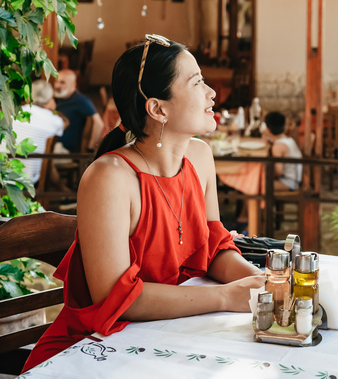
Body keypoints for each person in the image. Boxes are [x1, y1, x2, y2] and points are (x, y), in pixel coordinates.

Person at [23, 35, 265, 371]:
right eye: (197, 83)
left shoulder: (200, 156)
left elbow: (213, 250)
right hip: (95, 350)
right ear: (158, 108)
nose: (212, 93)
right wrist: (226, 297)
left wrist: (264, 286)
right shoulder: (109, 177)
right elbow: (115, 298)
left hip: (167, 336)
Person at [6, 80, 65, 185]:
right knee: (49, 159)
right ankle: (65, 191)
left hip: (3, 176)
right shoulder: (55, 121)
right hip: (29, 180)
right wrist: (53, 109)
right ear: (50, 98)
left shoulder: (12, 114)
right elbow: (64, 125)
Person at [54, 69, 104, 152]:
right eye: (56, 81)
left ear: (73, 84)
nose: (57, 86)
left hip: (63, 149)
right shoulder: (58, 98)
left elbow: (99, 123)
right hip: (52, 143)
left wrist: (90, 149)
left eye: (62, 82)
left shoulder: (81, 100)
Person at [262, 111, 303, 191]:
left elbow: (278, 172)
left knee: (256, 185)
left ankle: (257, 203)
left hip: (289, 183)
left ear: (267, 129)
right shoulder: (289, 139)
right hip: (296, 180)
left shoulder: (277, 147)